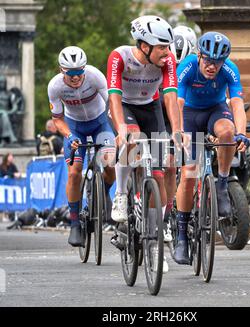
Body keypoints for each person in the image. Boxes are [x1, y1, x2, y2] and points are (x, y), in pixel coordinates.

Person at [106, 15, 183, 273]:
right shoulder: (119, 57)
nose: (167, 52)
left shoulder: (167, 61)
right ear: (144, 46)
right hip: (125, 107)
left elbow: (171, 97)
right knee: (132, 139)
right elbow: (114, 97)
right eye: (162, 46)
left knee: (160, 176)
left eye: (168, 46)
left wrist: (178, 131)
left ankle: (154, 243)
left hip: (151, 108)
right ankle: (119, 195)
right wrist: (120, 129)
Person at [173, 31, 250, 264]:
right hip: (189, 115)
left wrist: (242, 134)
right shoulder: (187, 67)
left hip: (215, 110)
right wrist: (179, 133)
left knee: (227, 132)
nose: (212, 66)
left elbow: (236, 103)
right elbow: (177, 101)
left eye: (217, 62)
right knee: (188, 175)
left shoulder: (229, 70)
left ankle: (222, 184)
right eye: (207, 60)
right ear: (199, 55)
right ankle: (182, 236)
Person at [47, 46, 116, 247]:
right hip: (74, 127)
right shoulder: (55, 87)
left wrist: (116, 127)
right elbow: (57, 119)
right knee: (74, 173)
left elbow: (112, 103)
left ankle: (104, 191)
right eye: (71, 73)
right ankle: (75, 223)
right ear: (62, 71)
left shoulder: (95, 76)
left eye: (80, 72)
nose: (76, 77)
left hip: (99, 123)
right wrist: (68, 136)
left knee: (110, 162)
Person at [161, 25, 198, 243]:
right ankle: (162, 216)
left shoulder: (194, 67)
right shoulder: (161, 64)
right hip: (162, 115)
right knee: (167, 163)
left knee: (184, 166)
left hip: (184, 116)